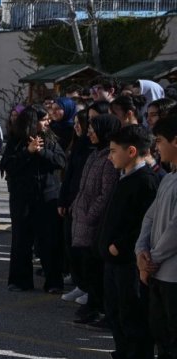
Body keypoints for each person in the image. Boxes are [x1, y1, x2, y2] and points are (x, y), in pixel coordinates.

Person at [87, 125, 160, 359]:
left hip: (129, 263)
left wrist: (121, 245)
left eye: (114, 151)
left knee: (133, 318)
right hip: (113, 263)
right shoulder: (125, 176)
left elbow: (144, 224)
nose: (109, 157)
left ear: (132, 151)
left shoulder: (145, 182)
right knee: (116, 314)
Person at [138, 114, 177, 359]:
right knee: (161, 333)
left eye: (161, 142)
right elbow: (150, 217)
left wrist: (154, 257)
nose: (157, 148)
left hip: (170, 272)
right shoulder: (169, 177)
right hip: (157, 270)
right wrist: (142, 250)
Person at [3, 106, 66, 292]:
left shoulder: (50, 139)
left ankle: (54, 281)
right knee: (21, 240)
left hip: (47, 197)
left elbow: (61, 161)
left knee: (49, 241)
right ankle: (19, 281)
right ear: (32, 122)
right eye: (44, 119)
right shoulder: (16, 140)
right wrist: (27, 152)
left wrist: (41, 152)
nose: (48, 122)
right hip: (22, 198)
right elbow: (8, 165)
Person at [69, 114, 122, 325]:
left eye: (93, 128)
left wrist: (91, 214)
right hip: (82, 216)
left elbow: (106, 193)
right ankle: (92, 303)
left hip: (94, 222)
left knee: (95, 266)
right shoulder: (95, 154)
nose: (89, 132)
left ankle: (98, 306)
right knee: (86, 264)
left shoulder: (108, 159)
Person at [59, 109, 95, 305]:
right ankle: (79, 281)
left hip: (84, 203)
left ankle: (87, 285)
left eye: (82, 123)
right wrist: (63, 200)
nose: (78, 127)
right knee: (70, 242)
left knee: (83, 247)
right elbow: (69, 174)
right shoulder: (79, 144)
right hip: (71, 198)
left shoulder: (93, 148)